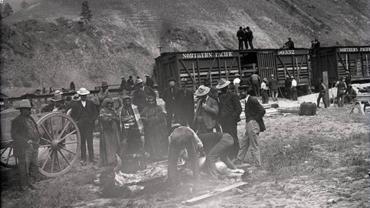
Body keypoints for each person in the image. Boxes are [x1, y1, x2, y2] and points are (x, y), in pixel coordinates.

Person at [11, 99, 41, 190]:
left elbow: (35, 129)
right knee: (24, 167)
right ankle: (24, 186)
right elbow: (14, 135)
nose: (29, 110)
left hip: (34, 145)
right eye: (27, 109)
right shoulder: (16, 120)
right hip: (24, 148)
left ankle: (32, 183)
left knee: (34, 165)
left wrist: (38, 139)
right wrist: (26, 141)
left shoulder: (30, 118)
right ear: (22, 110)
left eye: (29, 109)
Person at [70, 88, 99, 165]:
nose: (84, 97)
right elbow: (73, 115)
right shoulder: (75, 104)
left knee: (90, 142)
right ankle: (83, 159)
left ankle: (92, 158)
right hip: (80, 126)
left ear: (86, 95)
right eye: (82, 95)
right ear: (80, 95)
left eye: (85, 95)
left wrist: (92, 120)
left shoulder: (91, 103)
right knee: (82, 142)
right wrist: (77, 121)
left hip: (89, 125)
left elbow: (95, 112)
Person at [236, 93, 266, 167]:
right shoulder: (247, 100)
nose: (240, 93)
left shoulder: (252, 100)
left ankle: (257, 164)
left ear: (246, 92)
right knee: (244, 142)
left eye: (242, 91)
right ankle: (239, 160)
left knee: (254, 145)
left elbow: (262, 110)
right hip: (249, 124)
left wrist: (254, 119)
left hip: (252, 124)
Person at [216, 78, 242, 160]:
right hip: (223, 121)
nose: (222, 89)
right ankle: (228, 154)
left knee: (233, 137)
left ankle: (235, 154)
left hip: (231, 120)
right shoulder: (219, 97)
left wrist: (233, 117)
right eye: (221, 88)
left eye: (223, 88)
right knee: (226, 137)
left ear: (227, 87)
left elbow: (238, 109)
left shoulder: (233, 95)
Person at [141, 94, 168, 161]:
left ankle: (160, 155)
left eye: (152, 101)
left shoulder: (158, 108)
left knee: (158, 142)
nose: (151, 103)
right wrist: (147, 119)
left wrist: (149, 119)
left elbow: (160, 117)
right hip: (150, 130)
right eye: (149, 101)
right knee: (151, 142)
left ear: (154, 101)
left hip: (158, 129)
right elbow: (142, 117)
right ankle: (153, 155)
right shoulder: (145, 109)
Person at [98, 98, 121, 166]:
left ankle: (114, 159)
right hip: (106, 130)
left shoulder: (113, 110)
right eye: (108, 103)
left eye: (110, 104)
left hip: (113, 130)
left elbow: (117, 118)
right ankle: (108, 160)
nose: (109, 105)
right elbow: (102, 119)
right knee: (107, 145)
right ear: (105, 104)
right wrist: (109, 118)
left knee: (114, 144)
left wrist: (113, 118)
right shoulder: (102, 110)